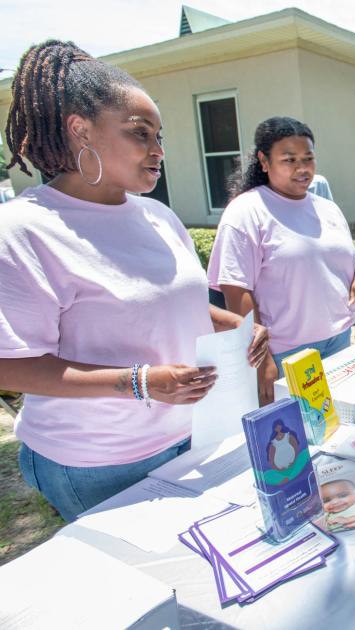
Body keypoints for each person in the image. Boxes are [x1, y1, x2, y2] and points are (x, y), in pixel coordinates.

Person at [0, 40, 269, 522]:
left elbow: (164, 304)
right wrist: (139, 383)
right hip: (96, 462)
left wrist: (233, 324)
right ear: (80, 130)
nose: (158, 151)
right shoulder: (22, 230)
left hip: (190, 436)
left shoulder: (160, 217)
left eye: (159, 136)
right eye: (140, 134)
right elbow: (9, 365)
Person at [206, 117, 355, 404]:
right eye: (289, 159)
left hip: (340, 341)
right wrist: (261, 359)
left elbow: (347, 260)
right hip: (286, 354)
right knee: (301, 440)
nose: (302, 168)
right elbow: (236, 290)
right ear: (264, 161)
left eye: (308, 158)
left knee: (339, 433)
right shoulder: (246, 211)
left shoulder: (328, 208)